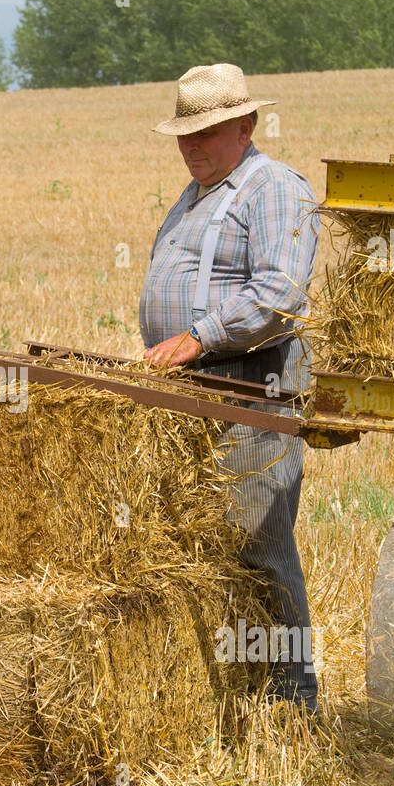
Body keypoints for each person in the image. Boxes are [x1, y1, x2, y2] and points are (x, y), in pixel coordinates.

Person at [140, 64, 320, 713]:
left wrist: (196, 336)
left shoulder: (273, 189)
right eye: (186, 134)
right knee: (195, 549)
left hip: (254, 399)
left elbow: (280, 297)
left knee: (257, 546)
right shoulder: (196, 194)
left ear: (245, 126)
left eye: (208, 132)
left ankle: (292, 703)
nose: (193, 145)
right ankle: (221, 700)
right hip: (192, 401)